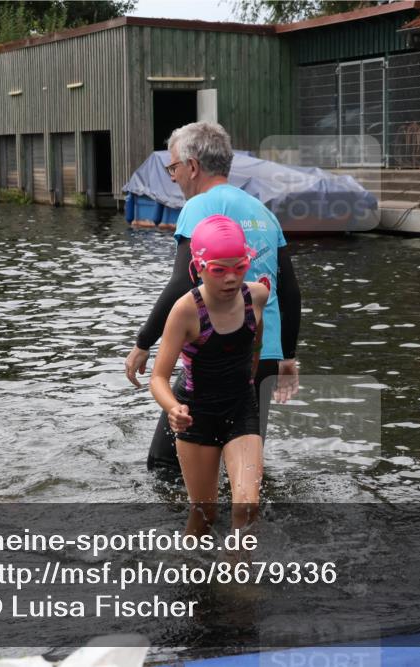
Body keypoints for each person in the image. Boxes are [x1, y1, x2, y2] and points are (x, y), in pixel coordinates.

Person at [124, 122, 301, 471]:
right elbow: (291, 292)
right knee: (243, 461)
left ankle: (188, 524)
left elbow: (180, 285)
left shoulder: (198, 206)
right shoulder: (263, 210)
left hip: (215, 355)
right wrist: (287, 357)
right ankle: (248, 524)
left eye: (173, 168)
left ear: (192, 166)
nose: (173, 178)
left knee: (166, 463)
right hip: (263, 354)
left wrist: (144, 341)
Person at [150, 215, 268, 535]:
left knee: (247, 506)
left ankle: (236, 582)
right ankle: (187, 575)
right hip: (197, 414)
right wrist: (173, 408)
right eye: (219, 269)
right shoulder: (186, 310)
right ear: (199, 266)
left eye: (239, 267)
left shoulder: (256, 296)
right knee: (205, 516)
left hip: (241, 406)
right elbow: (158, 377)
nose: (231, 278)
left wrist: (252, 378)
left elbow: (255, 343)